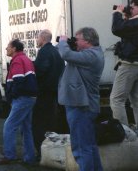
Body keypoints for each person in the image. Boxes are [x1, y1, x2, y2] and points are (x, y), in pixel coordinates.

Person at [58, 27, 105, 171]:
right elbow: (63, 52)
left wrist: (64, 41)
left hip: (81, 107)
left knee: (80, 148)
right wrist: (67, 44)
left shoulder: (92, 56)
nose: (76, 42)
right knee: (89, 146)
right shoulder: (89, 54)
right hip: (82, 106)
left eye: (77, 40)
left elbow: (65, 53)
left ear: (87, 41)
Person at [110, 0, 138, 134]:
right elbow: (128, 31)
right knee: (137, 101)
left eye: (132, 7)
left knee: (116, 100)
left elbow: (117, 29)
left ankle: (123, 133)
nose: (130, 8)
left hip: (129, 64)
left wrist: (117, 12)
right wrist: (126, 16)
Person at [0, 39, 37, 165]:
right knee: (26, 128)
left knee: (9, 126)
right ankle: (29, 158)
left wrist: (12, 96)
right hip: (30, 97)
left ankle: (9, 155)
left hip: (22, 98)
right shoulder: (26, 59)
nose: (6, 49)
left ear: (14, 49)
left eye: (8, 46)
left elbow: (18, 81)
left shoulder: (17, 60)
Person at [32, 29, 65, 159]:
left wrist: (33, 68)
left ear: (43, 39)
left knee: (40, 122)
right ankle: (53, 150)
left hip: (44, 92)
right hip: (55, 91)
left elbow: (41, 70)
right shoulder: (56, 51)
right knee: (52, 120)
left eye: (38, 38)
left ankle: (42, 152)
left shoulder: (44, 51)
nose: (37, 40)